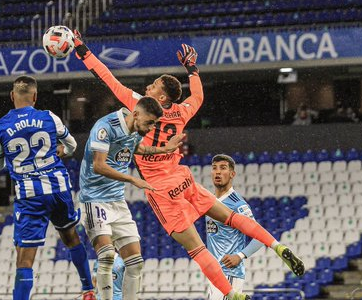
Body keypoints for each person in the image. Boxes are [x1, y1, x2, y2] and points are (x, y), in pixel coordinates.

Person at [71, 31, 304, 300]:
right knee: (231, 217)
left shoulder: (137, 106)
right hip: (183, 177)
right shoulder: (181, 112)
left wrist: (82, 50)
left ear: (162, 99)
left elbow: (107, 78)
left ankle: (232, 295)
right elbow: (198, 97)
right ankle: (276, 245)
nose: (150, 86)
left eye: (156, 85)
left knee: (196, 249)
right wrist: (192, 68)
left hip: (161, 187)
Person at [0, 75, 96, 300]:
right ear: (35, 97)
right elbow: (72, 145)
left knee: (25, 259)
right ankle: (88, 289)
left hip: (30, 195)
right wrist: (59, 151)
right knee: (71, 238)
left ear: (12, 96)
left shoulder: (0, 126)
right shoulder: (49, 117)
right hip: (58, 188)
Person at [78, 97, 184, 300]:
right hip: (94, 199)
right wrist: (132, 180)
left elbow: (138, 148)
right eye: (149, 123)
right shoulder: (105, 126)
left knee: (136, 263)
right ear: (135, 114)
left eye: (154, 123)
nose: (152, 128)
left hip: (117, 201)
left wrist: (164, 149)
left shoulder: (135, 130)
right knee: (107, 256)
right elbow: (98, 166)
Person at [206, 154, 264, 300]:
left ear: (232, 174)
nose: (217, 172)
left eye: (223, 168)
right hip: (214, 274)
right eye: (214, 168)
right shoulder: (210, 200)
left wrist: (240, 256)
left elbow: (260, 237)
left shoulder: (238, 204)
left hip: (229, 274)